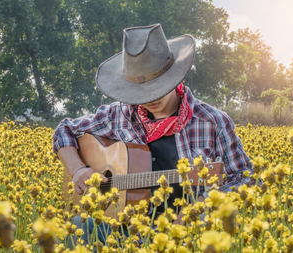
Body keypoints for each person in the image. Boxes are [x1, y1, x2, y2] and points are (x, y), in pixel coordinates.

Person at [52, 23, 256, 247]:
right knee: (74, 227)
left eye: (157, 88)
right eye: (139, 93)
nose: (149, 98)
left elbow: (244, 178)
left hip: (187, 236)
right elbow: (65, 130)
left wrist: (199, 207)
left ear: (174, 77)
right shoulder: (119, 114)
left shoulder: (213, 122)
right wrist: (78, 169)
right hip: (125, 230)